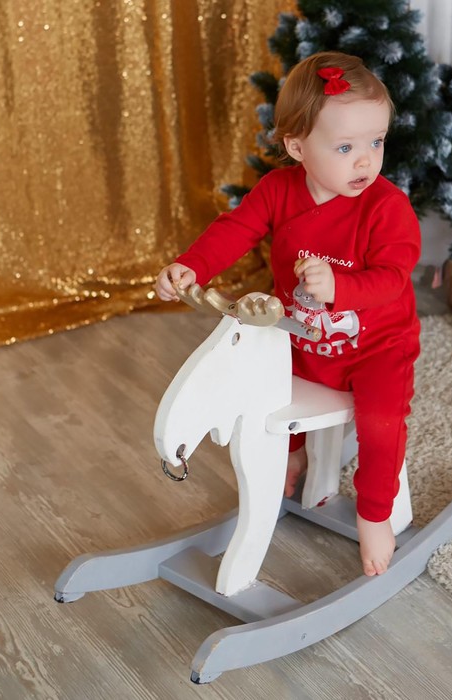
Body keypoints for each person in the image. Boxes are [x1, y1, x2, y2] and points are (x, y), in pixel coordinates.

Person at [155, 51, 421, 577]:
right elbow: (235, 230)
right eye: (345, 147)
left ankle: (375, 513)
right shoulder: (279, 191)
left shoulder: (386, 207)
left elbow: (393, 278)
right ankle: (292, 455)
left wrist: (339, 287)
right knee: (263, 381)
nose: (365, 162)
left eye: (376, 142)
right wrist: (192, 266)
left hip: (376, 347)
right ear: (298, 147)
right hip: (299, 337)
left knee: (382, 422)